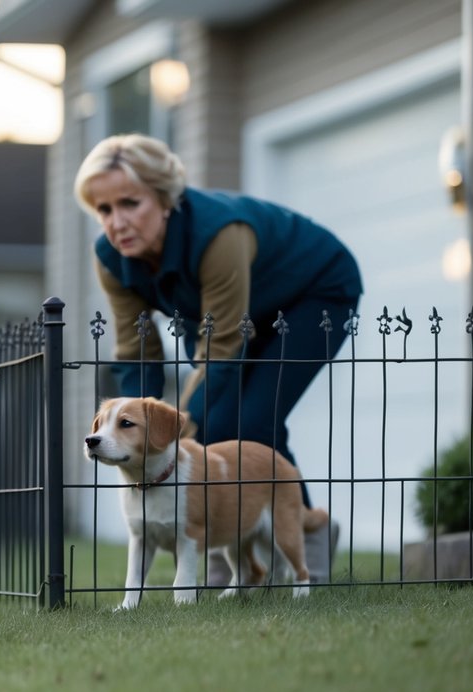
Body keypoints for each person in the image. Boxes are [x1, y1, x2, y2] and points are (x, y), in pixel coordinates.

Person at [73, 133, 363, 584]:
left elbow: (222, 351)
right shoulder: (110, 257)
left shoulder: (219, 234)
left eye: (131, 203)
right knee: (211, 417)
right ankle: (228, 555)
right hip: (219, 315)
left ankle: (310, 539)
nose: (117, 222)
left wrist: (175, 426)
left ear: (166, 199)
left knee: (249, 420)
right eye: (104, 210)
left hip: (313, 294)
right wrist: (133, 423)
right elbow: (137, 350)